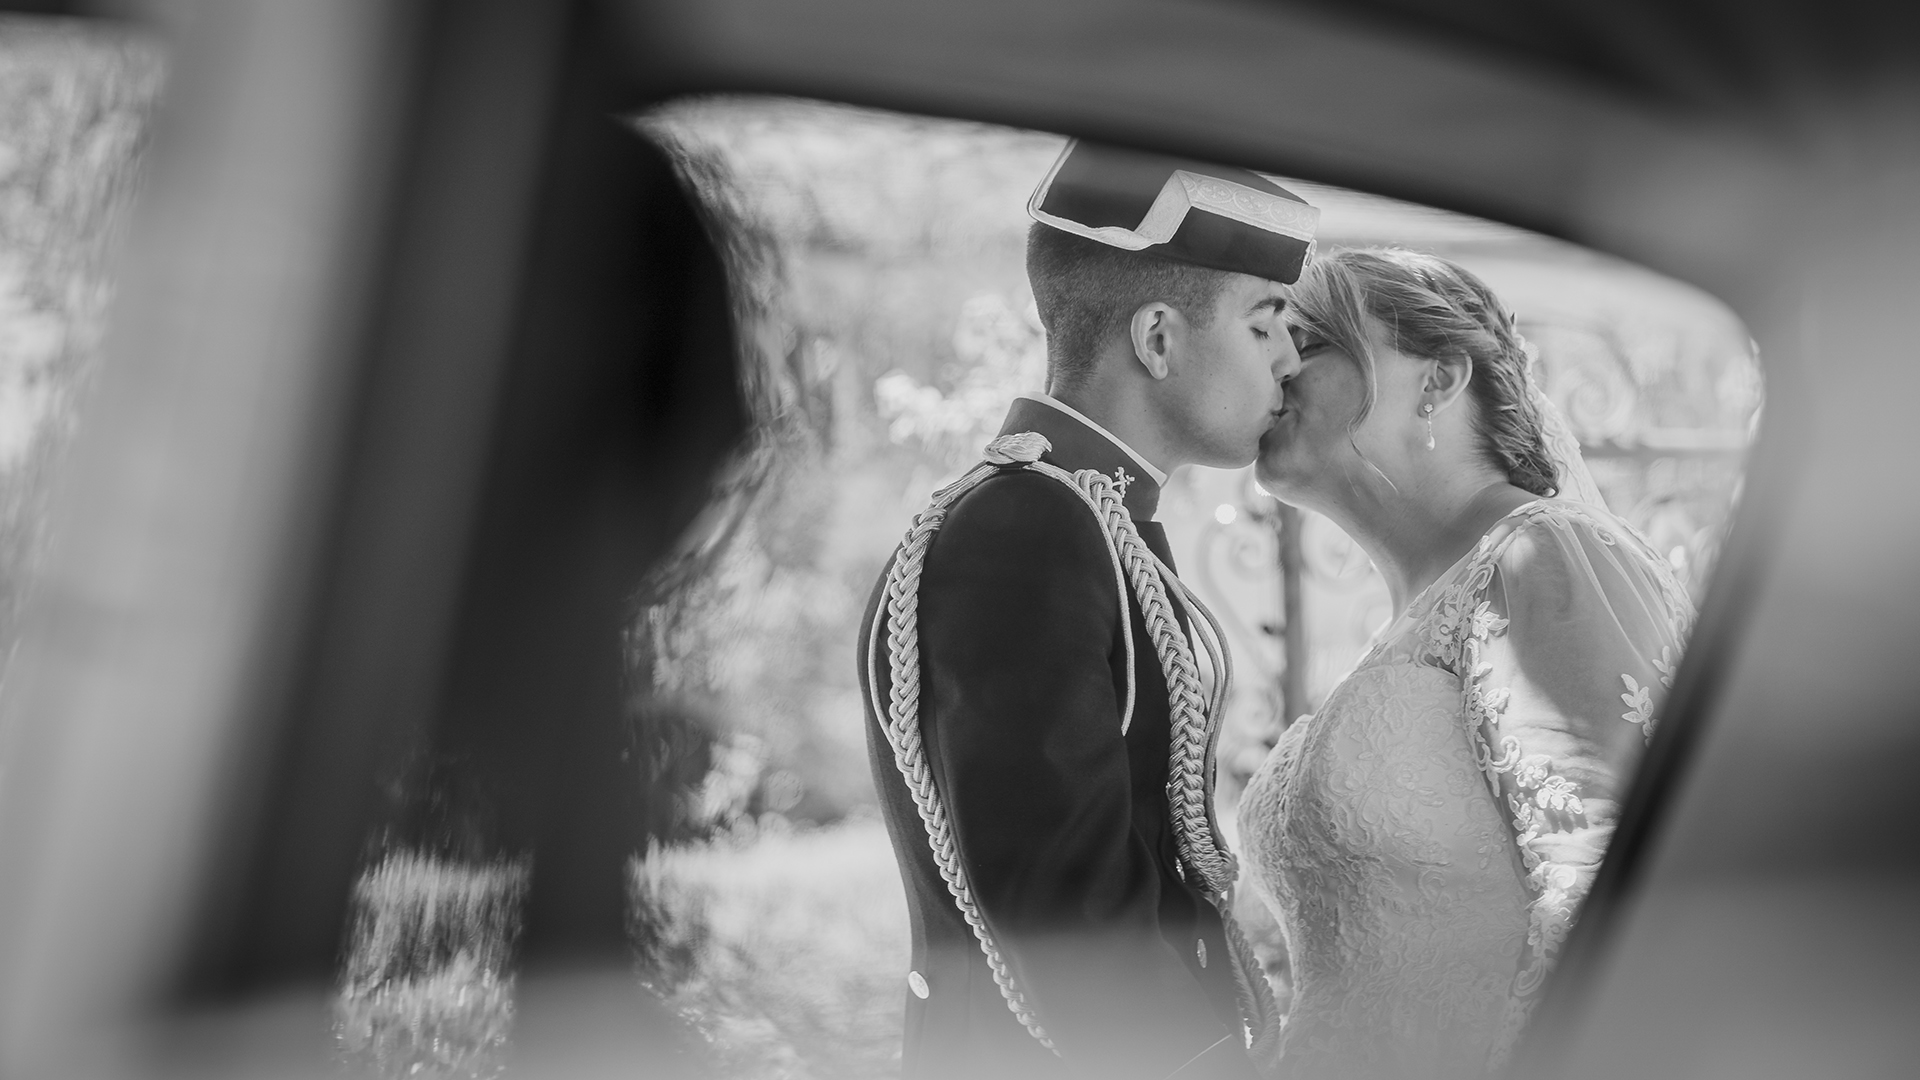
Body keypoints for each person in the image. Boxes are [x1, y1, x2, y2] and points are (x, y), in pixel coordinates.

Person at [858, 140, 1320, 1079]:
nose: (1292, 362)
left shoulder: (1080, 516)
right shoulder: (1025, 532)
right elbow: (1062, 921)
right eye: (1267, 323)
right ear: (1157, 340)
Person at [1238, 248, 1695, 1079]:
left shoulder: (1541, 555)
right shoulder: (1405, 625)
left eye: (1307, 341)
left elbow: (1610, 906)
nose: (1276, 367)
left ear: (1439, 381)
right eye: (1268, 338)